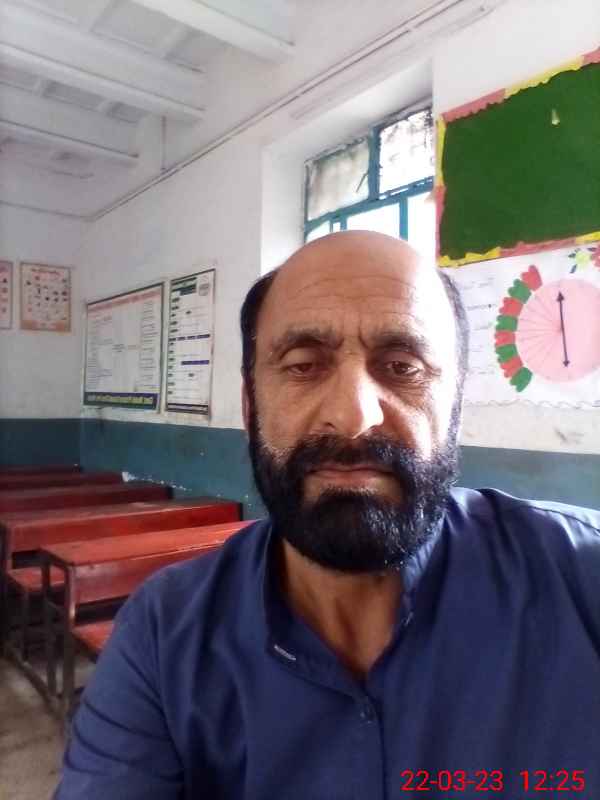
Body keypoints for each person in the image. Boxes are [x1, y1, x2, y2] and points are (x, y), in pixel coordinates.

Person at [54, 232, 600, 799]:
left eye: (402, 366)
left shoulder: (581, 577)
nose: (353, 416)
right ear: (250, 405)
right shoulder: (163, 636)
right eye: (303, 365)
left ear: (456, 402)